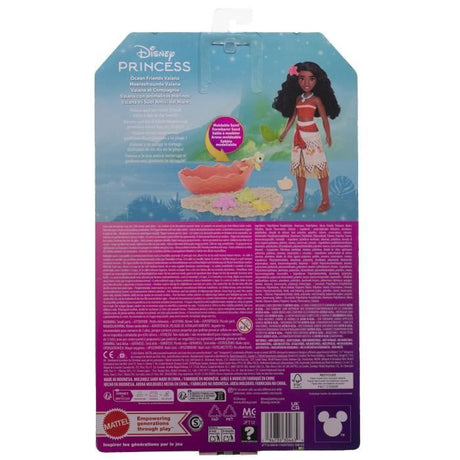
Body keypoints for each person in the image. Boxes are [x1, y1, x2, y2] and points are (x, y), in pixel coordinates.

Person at [273, 62, 340, 212]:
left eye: (311, 79)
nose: (306, 83)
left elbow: (324, 119)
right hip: (298, 136)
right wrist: (285, 132)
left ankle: (325, 200)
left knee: (320, 167)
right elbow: (292, 117)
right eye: (302, 78)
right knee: (299, 169)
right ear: (296, 80)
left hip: (311, 136)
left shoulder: (316, 100)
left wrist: (328, 135)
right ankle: (301, 201)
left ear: (318, 81)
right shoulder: (298, 99)